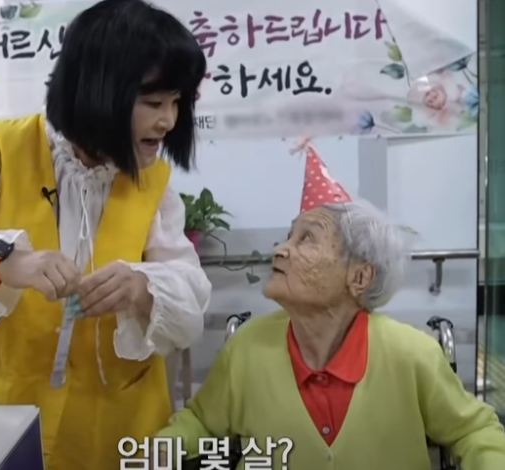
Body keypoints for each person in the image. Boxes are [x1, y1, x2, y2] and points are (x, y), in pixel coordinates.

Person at [0, 0, 211, 468]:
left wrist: (142, 288)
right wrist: (2, 263)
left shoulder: (154, 183)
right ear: (99, 89)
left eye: (176, 102)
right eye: (153, 103)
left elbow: (189, 294)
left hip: (113, 425)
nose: (168, 120)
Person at [155, 145, 505, 470]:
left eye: (306, 239)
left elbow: (474, 431)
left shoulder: (411, 355)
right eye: (288, 237)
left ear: (359, 276)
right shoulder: (247, 349)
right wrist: (157, 454)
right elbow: (200, 423)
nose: (280, 250)